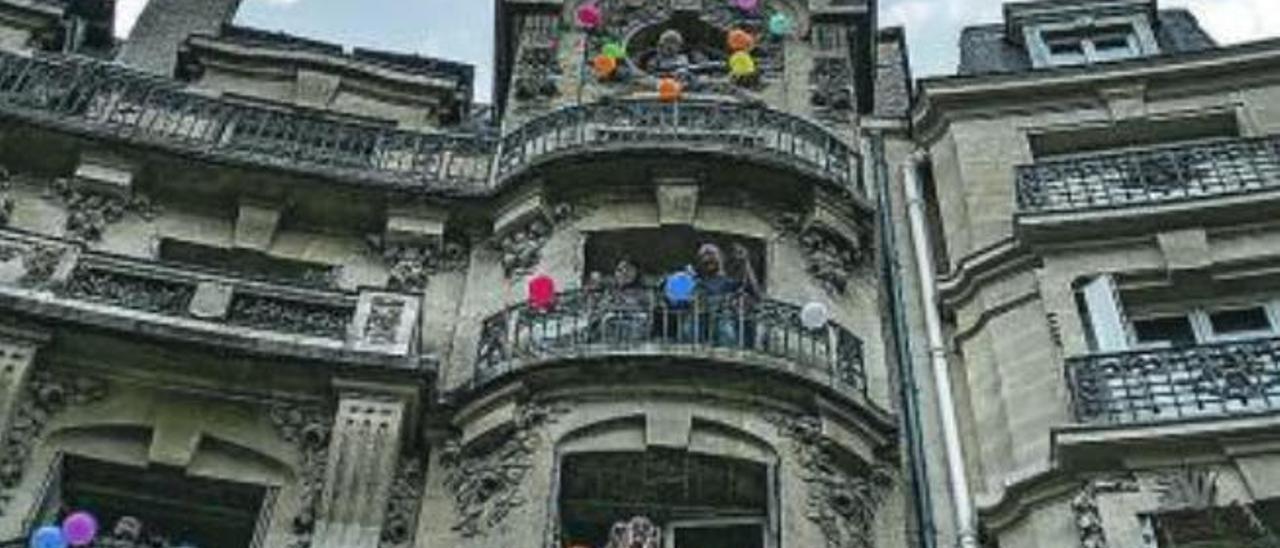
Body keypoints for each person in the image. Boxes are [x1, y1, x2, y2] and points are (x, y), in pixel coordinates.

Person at [686, 242, 760, 346]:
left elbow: (754, 292)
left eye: (710, 253)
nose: (706, 258)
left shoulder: (729, 282)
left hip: (724, 328)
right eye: (703, 256)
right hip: (701, 330)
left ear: (721, 258)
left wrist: (745, 263)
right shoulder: (698, 285)